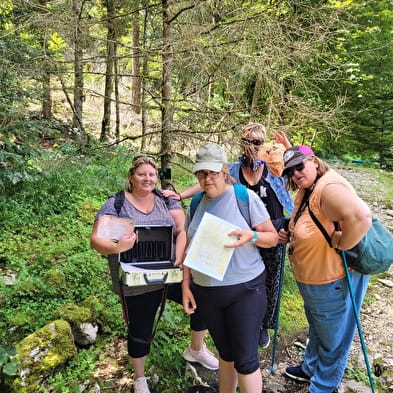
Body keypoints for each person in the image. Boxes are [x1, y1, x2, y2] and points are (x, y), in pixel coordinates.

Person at [90, 156, 218, 393]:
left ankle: (196, 349)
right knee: (140, 329)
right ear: (131, 176)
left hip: (171, 273)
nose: (147, 179)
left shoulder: (165, 200)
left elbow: (181, 231)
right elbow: (96, 240)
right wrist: (117, 247)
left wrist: (179, 257)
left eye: (151, 174)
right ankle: (140, 378)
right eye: (142, 174)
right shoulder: (116, 204)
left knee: (204, 302)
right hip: (136, 280)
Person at [164, 123, 293, 348]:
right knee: (240, 277)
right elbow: (207, 183)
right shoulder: (232, 169)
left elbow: (304, 173)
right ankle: (234, 326)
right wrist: (180, 196)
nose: (252, 146)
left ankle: (262, 326)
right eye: (248, 141)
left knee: (270, 283)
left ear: (264, 144)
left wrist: (291, 150)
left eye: (257, 142)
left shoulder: (275, 168)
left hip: (269, 228)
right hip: (238, 230)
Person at [181, 143, 279, 393]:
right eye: (201, 173)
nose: (207, 179)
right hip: (207, 292)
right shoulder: (196, 203)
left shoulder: (244, 197)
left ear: (224, 171)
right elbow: (190, 246)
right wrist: (185, 285)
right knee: (226, 355)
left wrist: (252, 237)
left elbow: (272, 237)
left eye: (212, 172)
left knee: (245, 361)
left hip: (245, 289)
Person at [278, 145, 372, 393]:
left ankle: (323, 386)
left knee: (333, 340)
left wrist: (343, 241)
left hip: (332, 280)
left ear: (315, 162)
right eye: (291, 171)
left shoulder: (327, 189)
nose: (296, 174)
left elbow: (361, 216)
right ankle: (310, 368)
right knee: (318, 327)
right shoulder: (309, 187)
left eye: (300, 166)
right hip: (315, 282)